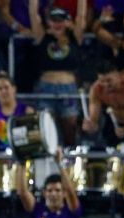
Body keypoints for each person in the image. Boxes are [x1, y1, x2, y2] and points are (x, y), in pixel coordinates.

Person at [29, 4, 86, 144]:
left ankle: (71, 155)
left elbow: (81, 17)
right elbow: (33, 15)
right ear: (49, 22)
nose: (57, 24)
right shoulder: (43, 37)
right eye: (54, 20)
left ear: (66, 22)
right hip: (46, 88)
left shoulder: (74, 37)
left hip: (68, 89)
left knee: (70, 128)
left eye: (60, 20)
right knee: (46, 126)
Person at [82, 60, 124, 148]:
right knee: (111, 149)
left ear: (117, 75)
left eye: (109, 80)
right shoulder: (96, 89)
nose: (105, 85)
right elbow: (94, 116)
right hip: (112, 122)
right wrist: (91, 124)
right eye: (102, 81)